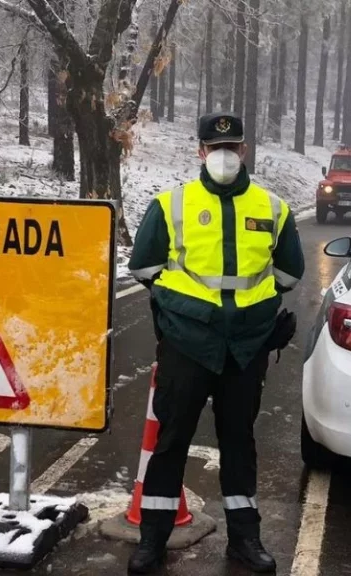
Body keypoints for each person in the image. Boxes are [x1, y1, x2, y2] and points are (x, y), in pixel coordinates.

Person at [126, 112, 305, 574]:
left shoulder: (273, 207)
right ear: (199, 151)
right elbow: (144, 267)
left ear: (243, 150)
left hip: (246, 348)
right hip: (188, 345)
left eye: (232, 146)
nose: (223, 155)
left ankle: (245, 539)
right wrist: (178, 309)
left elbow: (288, 273)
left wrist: (261, 319)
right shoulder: (171, 205)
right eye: (213, 147)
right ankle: (152, 541)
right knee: (171, 441)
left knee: (239, 443)